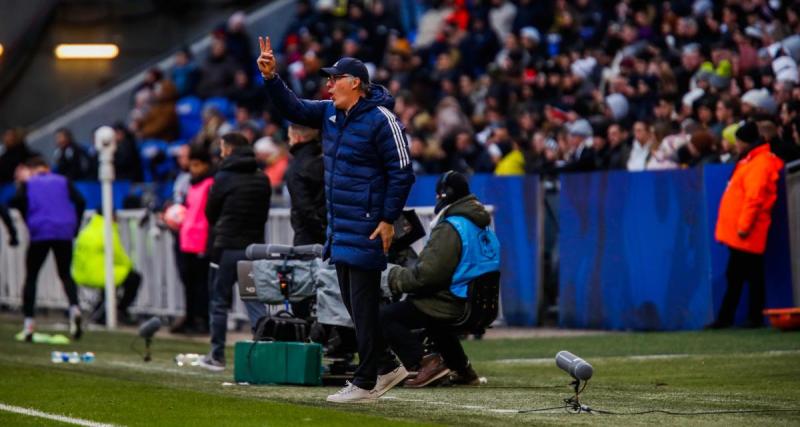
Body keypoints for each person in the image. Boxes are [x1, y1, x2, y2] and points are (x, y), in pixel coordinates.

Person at [258, 37, 415, 403]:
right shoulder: (330, 113)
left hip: (366, 224)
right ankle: (387, 366)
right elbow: (294, 108)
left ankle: (365, 382)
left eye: (335, 78)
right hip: (341, 226)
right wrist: (271, 78)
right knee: (355, 306)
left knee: (361, 305)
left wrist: (388, 218)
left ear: (355, 83)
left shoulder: (382, 119)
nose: (328, 84)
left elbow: (403, 172)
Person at [382, 171, 500, 387]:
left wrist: (391, 275)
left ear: (445, 195)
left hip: (454, 303)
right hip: (478, 305)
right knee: (436, 319)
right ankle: (463, 370)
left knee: (383, 316)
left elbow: (426, 277)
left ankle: (425, 362)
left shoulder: (452, 226)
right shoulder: (481, 224)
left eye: (439, 194)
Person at [198, 132, 271, 371]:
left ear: (228, 150)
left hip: (226, 249)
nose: (220, 153)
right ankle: (264, 355)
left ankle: (217, 356)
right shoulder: (262, 178)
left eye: (222, 148)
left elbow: (211, 213)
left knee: (219, 301)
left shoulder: (223, 177)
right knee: (254, 301)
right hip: (253, 249)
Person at [707, 121, 785, 329]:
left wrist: (743, 226)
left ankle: (734, 318)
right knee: (745, 275)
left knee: (741, 276)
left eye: (739, 141)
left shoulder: (758, 164)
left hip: (748, 231)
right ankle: (743, 317)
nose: (737, 145)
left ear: (746, 142)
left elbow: (755, 197)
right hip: (744, 231)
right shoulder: (752, 161)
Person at [9, 157, 85, 341]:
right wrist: (75, 227)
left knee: (32, 276)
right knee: (65, 274)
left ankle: (29, 324)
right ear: (47, 167)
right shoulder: (63, 181)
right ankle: (74, 307)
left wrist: (25, 220)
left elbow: (13, 202)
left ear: (32, 169)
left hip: (40, 231)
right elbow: (81, 201)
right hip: (64, 231)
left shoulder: (29, 183)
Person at [172, 145, 214, 334]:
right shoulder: (193, 184)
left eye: (197, 164)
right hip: (187, 239)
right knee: (188, 282)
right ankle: (190, 317)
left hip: (202, 239)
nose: (193, 169)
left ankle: (201, 319)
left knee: (201, 284)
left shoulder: (209, 184)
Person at [71, 213, 141, 325]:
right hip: (98, 274)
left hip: (80, 274)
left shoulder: (87, 229)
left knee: (114, 277)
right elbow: (118, 255)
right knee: (133, 278)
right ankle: (119, 311)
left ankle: (102, 310)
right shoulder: (108, 230)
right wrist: (129, 266)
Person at [284, 124, 326, 246]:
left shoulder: (296, 169)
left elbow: (305, 209)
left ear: (297, 138)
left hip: (308, 241)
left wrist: (322, 234)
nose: (289, 142)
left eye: (289, 137)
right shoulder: (327, 162)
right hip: (334, 234)